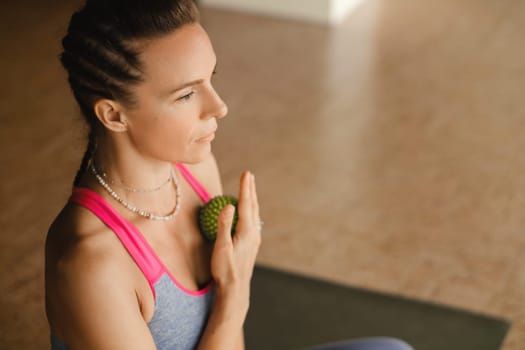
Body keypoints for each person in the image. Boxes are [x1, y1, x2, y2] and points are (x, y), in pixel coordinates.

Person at [45, 1, 412, 349]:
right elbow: (230, 318)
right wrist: (234, 293)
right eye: (186, 95)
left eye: (210, 78)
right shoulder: (91, 265)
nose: (219, 107)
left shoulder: (194, 169)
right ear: (113, 115)